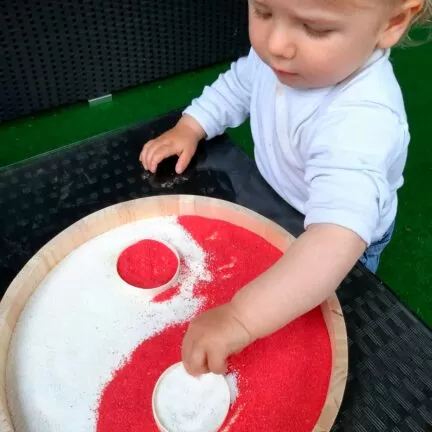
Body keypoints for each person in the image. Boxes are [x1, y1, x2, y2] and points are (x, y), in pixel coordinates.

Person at [140, 0, 429, 376]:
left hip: (340, 238)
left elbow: (332, 243)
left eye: (315, 29)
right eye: (262, 11)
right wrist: (193, 125)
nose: (276, 43)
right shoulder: (287, 59)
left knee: (325, 316)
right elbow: (240, 84)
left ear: (393, 21)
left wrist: (241, 318)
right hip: (281, 198)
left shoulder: (362, 120)